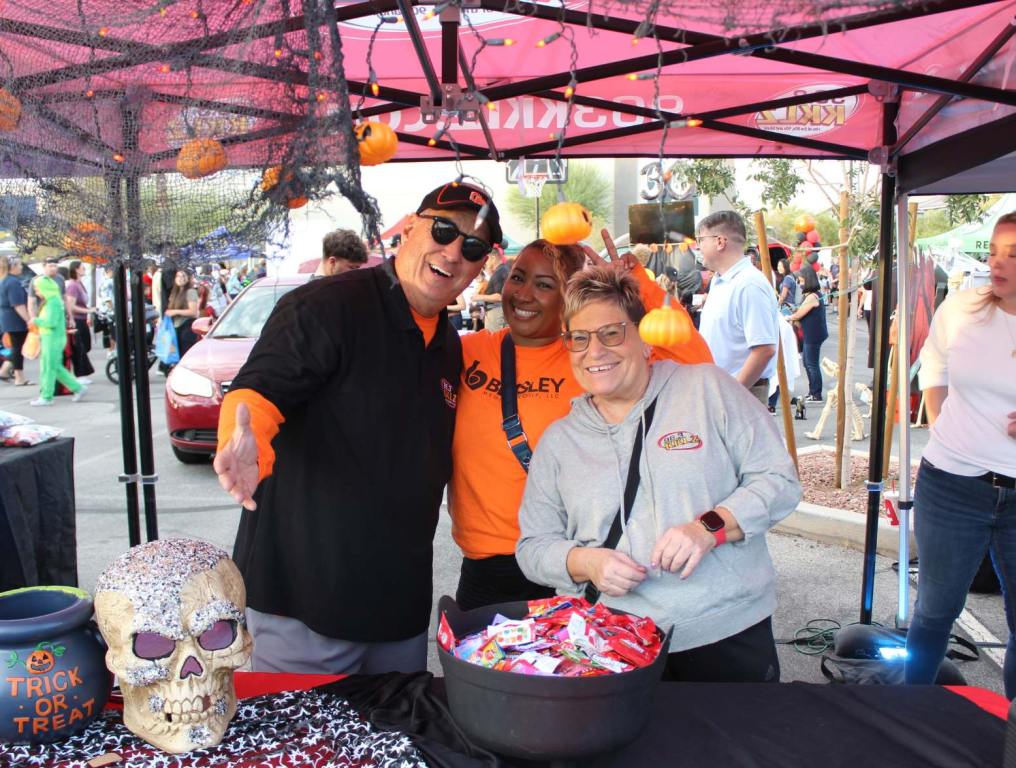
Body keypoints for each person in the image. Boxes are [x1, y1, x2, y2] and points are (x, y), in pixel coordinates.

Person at [213, 181, 500, 675]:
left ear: (481, 267)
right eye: (444, 230)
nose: (453, 252)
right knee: (309, 750)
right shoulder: (329, 306)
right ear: (410, 228)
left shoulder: (449, 345)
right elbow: (261, 390)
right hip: (305, 608)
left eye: (472, 247)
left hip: (398, 615)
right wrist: (245, 440)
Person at [516, 267, 800, 682]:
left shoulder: (706, 388)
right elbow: (532, 547)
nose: (595, 351)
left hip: (724, 632)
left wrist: (709, 527)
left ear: (644, 337)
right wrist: (586, 561)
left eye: (611, 333)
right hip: (608, 643)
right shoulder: (560, 441)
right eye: (579, 338)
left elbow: (779, 480)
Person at [450, 236, 713, 610]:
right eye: (518, 277)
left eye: (544, 285)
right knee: (489, 669)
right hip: (488, 568)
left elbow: (695, 362)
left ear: (569, 298)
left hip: (577, 563)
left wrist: (638, 285)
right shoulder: (470, 351)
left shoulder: (592, 358)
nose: (523, 294)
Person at [905, 212, 1016, 696]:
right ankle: (909, 719)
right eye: (994, 251)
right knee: (934, 611)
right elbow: (934, 362)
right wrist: (944, 424)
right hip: (950, 485)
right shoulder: (962, 308)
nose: (997, 264)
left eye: (1013, 256)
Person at [697, 210, 779, 405]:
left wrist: (732, 393)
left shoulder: (749, 285)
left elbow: (764, 349)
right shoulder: (720, 281)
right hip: (720, 390)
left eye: (701, 240)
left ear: (720, 241)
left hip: (741, 394)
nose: (698, 247)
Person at [28, 276, 86, 406]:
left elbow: (51, 322)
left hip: (51, 338)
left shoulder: (53, 302)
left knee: (48, 368)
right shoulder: (54, 300)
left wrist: (35, 320)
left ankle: (47, 396)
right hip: (53, 338)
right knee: (55, 367)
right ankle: (77, 388)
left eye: (37, 289)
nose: (37, 292)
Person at [788, 267, 828, 402]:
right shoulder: (811, 295)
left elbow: (800, 313)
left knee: (811, 363)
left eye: (801, 280)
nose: (800, 284)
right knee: (807, 362)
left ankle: (816, 393)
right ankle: (813, 391)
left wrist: (788, 318)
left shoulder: (812, 296)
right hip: (811, 333)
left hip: (814, 334)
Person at [0, 257, 31, 386]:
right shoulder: (13, 282)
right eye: (19, 265)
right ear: (12, 267)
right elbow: (18, 304)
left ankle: (5, 371)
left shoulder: (5, 280)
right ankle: (18, 377)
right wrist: (29, 320)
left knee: (16, 347)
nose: (21, 267)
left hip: (7, 318)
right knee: (18, 348)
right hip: (15, 318)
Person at [65, 261, 95, 379]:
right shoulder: (73, 285)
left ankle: (81, 373)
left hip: (81, 319)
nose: (85, 270)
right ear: (76, 269)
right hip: (76, 319)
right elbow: (71, 305)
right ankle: (79, 375)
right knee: (80, 347)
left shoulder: (79, 284)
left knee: (85, 345)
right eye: (83, 268)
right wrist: (88, 311)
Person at [164, 270, 200, 359]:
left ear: (188, 278)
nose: (181, 279)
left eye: (183, 276)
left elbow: (193, 312)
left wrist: (175, 312)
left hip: (187, 327)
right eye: (178, 276)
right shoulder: (175, 292)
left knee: (185, 356)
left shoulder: (190, 291)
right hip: (176, 327)